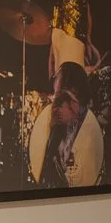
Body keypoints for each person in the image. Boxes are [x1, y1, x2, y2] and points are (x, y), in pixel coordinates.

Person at [28, 61, 104, 189]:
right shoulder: (55, 130)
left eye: (65, 99)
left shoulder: (86, 126)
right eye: (56, 99)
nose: (56, 107)